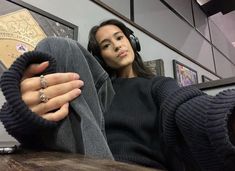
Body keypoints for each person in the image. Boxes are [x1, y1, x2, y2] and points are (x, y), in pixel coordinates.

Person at [0, 19, 234, 171]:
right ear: (101, 57)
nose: (116, 46)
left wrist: (227, 118)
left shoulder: (158, 85)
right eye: (105, 44)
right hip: (76, 160)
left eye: (119, 37)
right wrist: (22, 112)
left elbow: (187, 106)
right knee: (58, 46)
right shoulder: (96, 92)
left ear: (132, 41)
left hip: (131, 167)